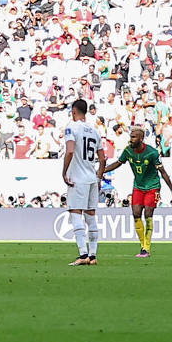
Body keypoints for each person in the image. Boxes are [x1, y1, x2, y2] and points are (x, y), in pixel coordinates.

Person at [110, 125, 172, 259]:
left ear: (141, 138)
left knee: (148, 214)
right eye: (131, 136)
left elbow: (163, 172)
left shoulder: (152, 153)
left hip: (153, 186)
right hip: (138, 186)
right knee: (136, 214)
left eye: (134, 137)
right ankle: (142, 246)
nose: (131, 139)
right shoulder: (128, 151)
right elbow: (118, 163)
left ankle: (146, 247)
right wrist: (102, 171)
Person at [61, 98, 107, 267]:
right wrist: (99, 177)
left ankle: (83, 254)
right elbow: (102, 158)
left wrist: (64, 172)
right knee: (91, 216)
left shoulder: (71, 127)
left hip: (77, 178)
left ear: (74, 111)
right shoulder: (95, 131)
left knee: (75, 214)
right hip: (92, 178)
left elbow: (70, 150)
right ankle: (93, 256)